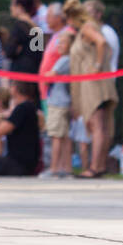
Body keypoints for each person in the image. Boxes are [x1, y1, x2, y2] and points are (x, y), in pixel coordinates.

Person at [65, 0, 117, 178]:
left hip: (94, 85)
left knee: (97, 125)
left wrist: (96, 66)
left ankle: (95, 167)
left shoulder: (87, 28)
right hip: (92, 84)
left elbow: (102, 44)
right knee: (99, 125)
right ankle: (98, 165)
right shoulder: (84, 30)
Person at [0, 79, 42, 176]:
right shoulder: (27, 107)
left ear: (15, 89)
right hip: (21, 163)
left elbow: (1, 131)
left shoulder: (23, 108)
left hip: (19, 165)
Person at [39, 28, 75, 178]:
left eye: (63, 43)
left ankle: (54, 168)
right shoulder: (68, 60)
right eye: (58, 43)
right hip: (64, 101)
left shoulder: (64, 60)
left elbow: (50, 76)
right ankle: (66, 169)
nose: (59, 46)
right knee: (64, 137)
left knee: (55, 136)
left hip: (58, 103)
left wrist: (42, 76)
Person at [3, 0, 45, 75]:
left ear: (20, 7)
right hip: (35, 72)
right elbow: (39, 52)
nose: (11, 8)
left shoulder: (19, 26)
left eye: (13, 5)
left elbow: (9, 52)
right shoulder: (37, 28)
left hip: (20, 73)